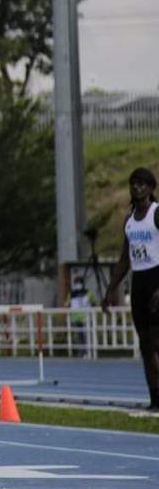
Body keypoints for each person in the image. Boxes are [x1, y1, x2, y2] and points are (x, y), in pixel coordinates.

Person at [104, 167, 159, 411]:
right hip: (139, 283)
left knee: (158, 342)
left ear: (150, 188)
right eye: (133, 183)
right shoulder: (129, 221)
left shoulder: (157, 215)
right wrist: (109, 290)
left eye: (142, 184)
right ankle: (154, 398)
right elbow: (124, 260)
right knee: (145, 345)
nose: (136, 187)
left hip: (156, 278)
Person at [67, 275, 96, 358]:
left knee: (87, 336)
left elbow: (94, 302)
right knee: (79, 337)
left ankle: (89, 353)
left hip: (86, 317)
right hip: (75, 317)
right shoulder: (71, 294)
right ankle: (81, 353)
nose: (77, 285)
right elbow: (67, 304)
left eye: (79, 283)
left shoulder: (88, 292)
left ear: (82, 284)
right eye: (76, 283)